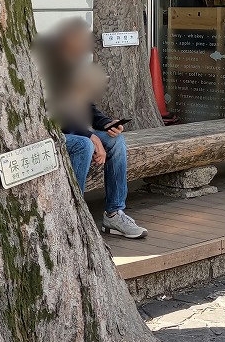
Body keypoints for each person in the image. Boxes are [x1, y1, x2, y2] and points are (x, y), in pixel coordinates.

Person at [36, 18, 147, 239]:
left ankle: (114, 213)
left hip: (71, 130)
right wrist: (89, 135)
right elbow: (55, 115)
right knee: (84, 145)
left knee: (114, 141)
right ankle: (72, 213)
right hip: (46, 133)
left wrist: (105, 123)